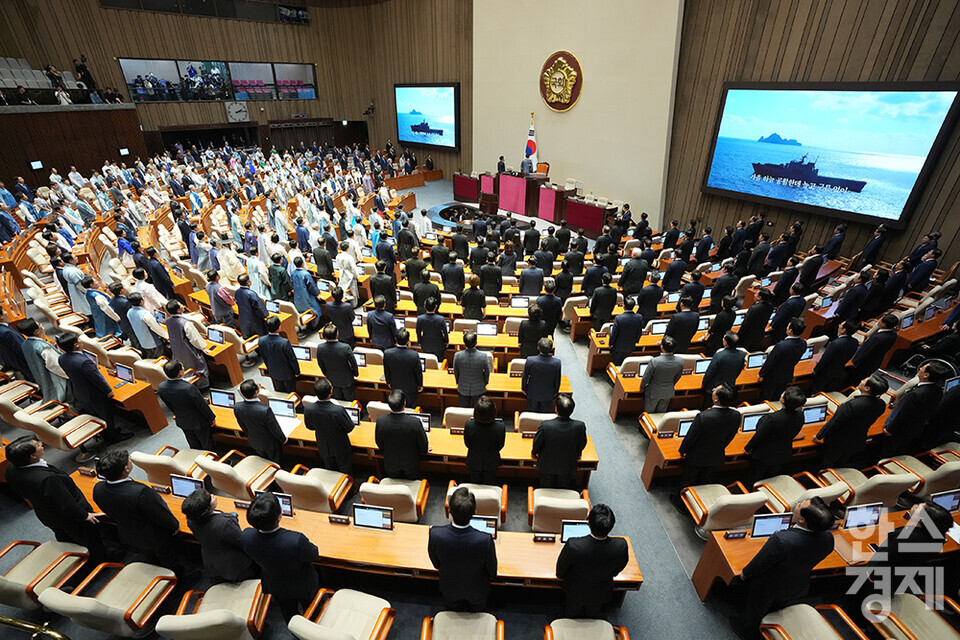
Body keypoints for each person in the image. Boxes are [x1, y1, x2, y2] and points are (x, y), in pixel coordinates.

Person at [733, 498, 836, 636]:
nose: (798, 503)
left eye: (800, 505)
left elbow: (760, 563)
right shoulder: (829, 538)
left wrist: (745, 573)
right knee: (777, 604)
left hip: (767, 586)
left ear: (802, 520)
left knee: (755, 611)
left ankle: (747, 632)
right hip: (797, 585)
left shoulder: (782, 540)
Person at [5, 436, 105, 558]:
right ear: (32, 456)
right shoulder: (46, 479)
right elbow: (64, 503)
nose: (41, 443)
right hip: (70, 518)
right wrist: (85, 515)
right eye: (38, 445)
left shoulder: (10, 470)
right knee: (89, 539)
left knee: (66, 538)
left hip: (47, 514)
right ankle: (99, 560)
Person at [93, 450, 182, 572]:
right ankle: (180, 579)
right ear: (126, 469)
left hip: (128, 534)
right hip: (155, 537)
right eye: (129, 459)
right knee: (169, 560)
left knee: (150, 557)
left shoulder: (98, 489)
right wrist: (174, 525)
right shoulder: (140, 492)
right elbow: (159, 514)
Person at [240, 492, 320, 620]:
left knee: (288, 612)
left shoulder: (246, 536)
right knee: (311, 609)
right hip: (303, 584)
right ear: (279, 516)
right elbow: (314, 555)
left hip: (274, 583)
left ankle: (295, 629)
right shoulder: (295, 540)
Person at [428, 487, 498, 611]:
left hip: (449, 589)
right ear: (475, 512)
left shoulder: (435, 534)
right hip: (477, 591)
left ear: (449, 510)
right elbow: (492, 571)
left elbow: (436, 564)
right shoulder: (485, 540)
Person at [556, 504, 629, 619]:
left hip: (575, 590)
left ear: (588, 522)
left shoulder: (574, 545)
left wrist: (560, 576)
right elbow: (620, 566)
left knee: (572, 610)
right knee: (593, 611)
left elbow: (561, 570)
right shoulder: (621, 545)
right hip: (601, 590)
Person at [57, 332, 132, 442]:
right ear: (76, 345)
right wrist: (108, 391)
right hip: (95, 394)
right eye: (79, 340)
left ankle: (107, 433)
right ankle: (113, 437)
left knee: (96, 415)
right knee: (106, 415)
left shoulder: (62, 358)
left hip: (80, 392)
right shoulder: (84, 361)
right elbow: (97, 378)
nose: (81, 341)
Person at [181, 488, 257, 584]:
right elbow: (241, 541)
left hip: (212, 561)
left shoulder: (191, 521)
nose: (213, 495)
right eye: (210, 498)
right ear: (206, 509)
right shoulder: (224, 524)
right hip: (233, 564)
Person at [813, 374, 888, 468]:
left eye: (863, 381)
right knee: (842, 462)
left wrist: (819, 435)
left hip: (838, 440)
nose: (861, 380)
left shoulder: (852, 405)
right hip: (858, 439)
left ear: (867, 388)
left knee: (827, 462)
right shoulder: (881, 404)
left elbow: (835, 422)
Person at [676, 383, 740, 490]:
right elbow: (730, 437)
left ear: (716, 399)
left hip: (696, 456)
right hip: (716, 455)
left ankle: (681, 501)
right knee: (705, 480)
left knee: (688, 480)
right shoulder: (736, 415)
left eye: (714, 390)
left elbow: (691, 438)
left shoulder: (704, 417)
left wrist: (682, 451)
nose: (713, 390)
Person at [882, 360, 948, 455]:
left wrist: (889, 429)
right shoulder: (938, 390)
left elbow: (903, 414)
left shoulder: (915, 394)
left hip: (900, 430)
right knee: (901, 449)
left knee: (888, 449)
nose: (920, 369)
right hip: (916, 428)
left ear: (926, 375)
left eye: (923, 368)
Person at [744, 386, 806, 481]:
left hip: (764, 455)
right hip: (783, 453)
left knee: (754, 477)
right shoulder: (800, 415)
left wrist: (747, 448)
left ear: (783, 400)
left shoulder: (772, 418)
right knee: (771, 478)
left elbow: (759, 435)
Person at [158, 359, 216, 450]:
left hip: (182, 420)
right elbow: (201, 405)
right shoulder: (188, 388)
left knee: (194, 445)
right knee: (207, 445)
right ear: (180, 373)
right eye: (182, 367)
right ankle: (211, 461)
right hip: (198, 422)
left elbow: (169, 404)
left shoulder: (161, 387)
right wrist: (211, 417)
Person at [532, 394, 587, 489]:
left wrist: (534, 452)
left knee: (546, 488)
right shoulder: (580, 426)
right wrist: (578, 453)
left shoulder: (546, 425)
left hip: (547, 465)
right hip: (567, 466)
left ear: (556, 409)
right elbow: (582, 444)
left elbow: (537, 443)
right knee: (563, 488)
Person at [303, 378, 355, 474]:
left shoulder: (308, 408)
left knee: (329, 469)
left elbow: (309, 426)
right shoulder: (338, 410)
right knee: (345, 468)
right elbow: (349, 428)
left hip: (323, 444)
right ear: (331, 392)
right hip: (340, 445)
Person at [374, 389, 428, 479]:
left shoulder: (381, 421)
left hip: (390, 463)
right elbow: (423, 446)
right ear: (405, 403)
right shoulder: (414, 422)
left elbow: (379, 443)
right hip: (411, 464)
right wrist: (425, 450)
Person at [234, 379, 286, 463]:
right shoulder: (265, 410)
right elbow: (274, 428)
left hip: (254, 441)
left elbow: (243, 426)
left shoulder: (237, 407)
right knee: (275, 463)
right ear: (256, 392)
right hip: (270, 444)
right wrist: (283, 439)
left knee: (263, 460)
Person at [18, 318, 68, 402]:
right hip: (56, 382)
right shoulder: (43, 347)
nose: (42, 326)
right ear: (36, 331)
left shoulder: (25, 344)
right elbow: (57, 367)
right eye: (40, 325)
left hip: (41, 380)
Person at [165, 299, 210, 391]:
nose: (182, 305)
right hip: (189, 350)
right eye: (181, 304)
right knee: (198, 366)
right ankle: (204, 387)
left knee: (185, 366)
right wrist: (202, 347)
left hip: (177, 349)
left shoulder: (168, 321)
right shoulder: (186, 323)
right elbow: (194, 339)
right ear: (178, 310)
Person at [758, 318, 807, 401]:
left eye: (788, 326)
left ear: (790, 330)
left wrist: (761, 374)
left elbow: (770, 362)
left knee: (766, 397)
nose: (786, 327)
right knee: (777, 397)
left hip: (773, 377)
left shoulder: (781, 346)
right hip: (787, 375)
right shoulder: (803, 343)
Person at [463, 396, 506, 484]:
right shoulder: (500, 427)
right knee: (489, 484)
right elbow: (500, 445)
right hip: (492, 461)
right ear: (493, 412)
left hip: (474, 460)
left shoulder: (469, 425)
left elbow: (467, 443)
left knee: (474, 483)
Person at [811, 321, 860, 392]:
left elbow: (825, 359)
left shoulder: (835, 343)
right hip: (839, 371)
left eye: (841, 325)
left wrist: (816, 369)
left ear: (844, 330)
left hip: (825, 372)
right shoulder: (855, 342)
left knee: (817, 389)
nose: (839, 325)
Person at [640, 335, 683, 413]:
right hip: (668, 391)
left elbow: (646, 377)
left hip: (653, 392)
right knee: (661, 413)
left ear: (662, 347)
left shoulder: (655, 361)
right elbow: (678, 377)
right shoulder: (680, 361)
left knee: (649, 413)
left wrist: (642, 388)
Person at [850, 313, 899, 382]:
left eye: (880, 320)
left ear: (884, 325)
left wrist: (854, 362)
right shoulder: (894, 335)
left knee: (854, 379)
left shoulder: (878, 338)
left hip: (864, 364)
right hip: (875, 363)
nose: (878, 321)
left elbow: (866, 352)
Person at [315, 323, 358, 400]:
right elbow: (353, 363)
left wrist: (326, 373)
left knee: (337, 399)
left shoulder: (320, 348)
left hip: (331, 379)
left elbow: (320, 364)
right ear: (337, 334)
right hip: (346, 379)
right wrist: (355, 373)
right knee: (349, 400)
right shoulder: (345, 347)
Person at [383, 328, 423, 407]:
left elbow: (386, 370)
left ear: (395, 339)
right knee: (411, 407)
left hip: (395, 385)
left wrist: (388, 382)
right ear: (408, 340)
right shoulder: (414, 355)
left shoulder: (387, 353)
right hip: (411, 387)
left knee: (398, 406)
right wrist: (420, 384)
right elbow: (418, 372)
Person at [259, 315, 300, 392]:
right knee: (290, 393)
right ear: (279, 327)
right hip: (287, 374)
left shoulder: (261, 340)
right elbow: (292, 359)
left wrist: (270, 369)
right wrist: (297, 371)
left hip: (273, 372)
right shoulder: (284, 342)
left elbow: (264, 358)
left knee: (279, 392)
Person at [522, 337, 562, 412]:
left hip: (532, 392)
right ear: (551, 349)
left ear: (538, 347)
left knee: (532, 414)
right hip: (548, 394)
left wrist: (523, 388)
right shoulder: (557, 363)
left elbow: (525, 376)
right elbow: (557, 379)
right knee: (545, 415)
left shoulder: (530, 360)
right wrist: (555, 391)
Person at [453, 331, 490, 407]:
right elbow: (487, 372)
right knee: (478, 412)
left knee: (464, 412)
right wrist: (485, 382)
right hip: (479, 388)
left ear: (464, 343)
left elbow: (456, 372)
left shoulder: (457, 356)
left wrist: (458, 382)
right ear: (476, 342)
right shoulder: (483, 356)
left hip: (463, 387)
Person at [609, 296, 645, 365]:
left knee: (616, 363)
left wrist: (610, 343)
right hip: (630, 346)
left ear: (624, 306)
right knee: (625, 363)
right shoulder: (639, 317)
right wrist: (636, 341)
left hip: (618, 347)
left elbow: (614, 333)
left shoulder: (619, 318)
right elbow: (639, 332)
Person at [738, 288, 775, 352]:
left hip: (748, 336)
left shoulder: (753, 309)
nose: (754, 295)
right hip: (759, 334)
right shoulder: (770, 306)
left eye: (756, 294)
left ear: (760, 297)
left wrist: (739, 335)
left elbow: (746, 324)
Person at [235, 274, 268, 339]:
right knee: (258, 338)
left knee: (248, 338)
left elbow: (237, 302)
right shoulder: (251, 294)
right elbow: (259, 307)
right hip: (254, 321)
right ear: (248, 283)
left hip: (243, 319)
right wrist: (265, 315)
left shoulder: (237, 292)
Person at [417, 297, 449, 361]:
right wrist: (447, 341)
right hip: (439, 346)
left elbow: (418, 331)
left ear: (425, 307)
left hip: (426, 345)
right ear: (436, 307)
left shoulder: (420, 318)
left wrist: (420, 341)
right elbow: (445, 332)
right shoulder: (441, 319)